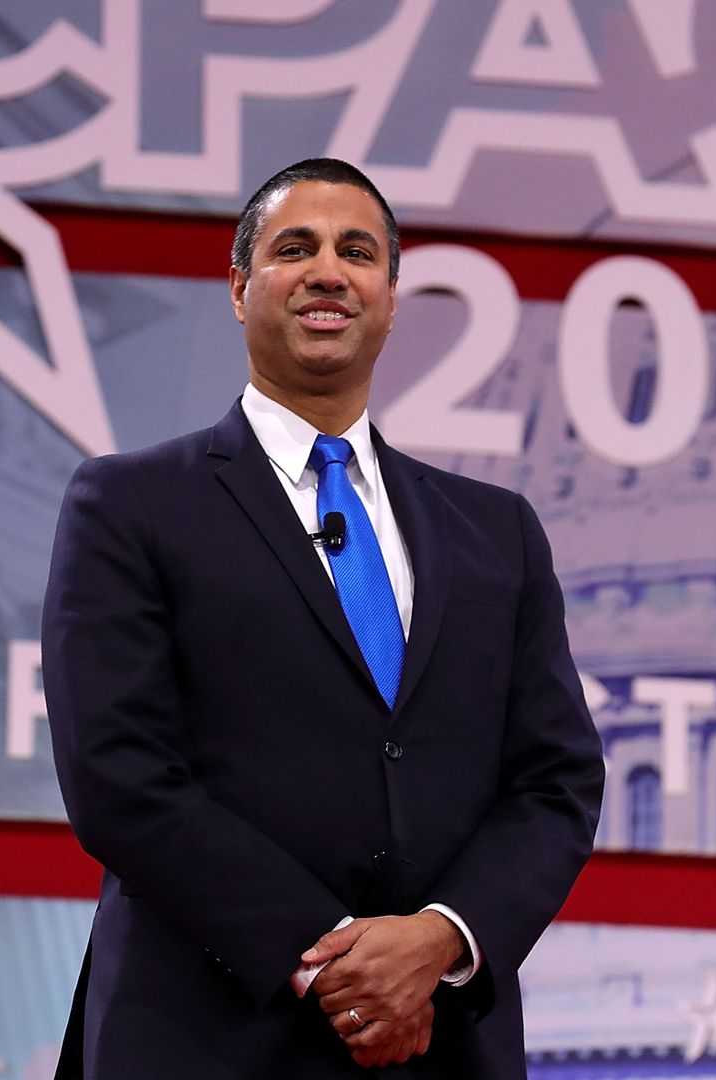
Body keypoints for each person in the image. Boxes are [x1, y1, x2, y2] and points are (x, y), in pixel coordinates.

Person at [42, 157, 603, 1077]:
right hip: (205, 1037)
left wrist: (437, 941)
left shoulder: (498, 532)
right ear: (239, 288)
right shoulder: (130, 503)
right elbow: (119, 774)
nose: (327, 271)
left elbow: (556, 781)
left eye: (358, 251)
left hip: (439, 1040)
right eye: (293, 248)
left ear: (389, 295)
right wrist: (335, 957)